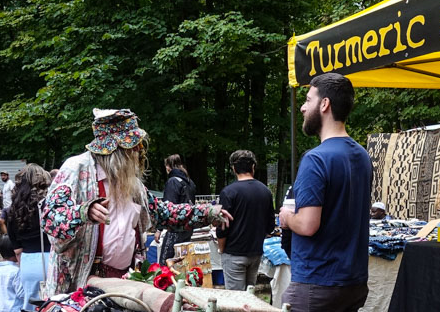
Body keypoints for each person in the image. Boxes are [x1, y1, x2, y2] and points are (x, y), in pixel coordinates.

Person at [249, 72, 371, 312]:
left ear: (325, 105)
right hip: (352, 280)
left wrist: (285, 216)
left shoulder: (316, 159)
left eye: (308, 99)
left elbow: (308, 223)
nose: (302, 106)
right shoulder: (361, 156)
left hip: (316, 280)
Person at [40, 108, 231, 295]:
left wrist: (207, 213)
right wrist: (83, 212)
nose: (139, 151)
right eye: (132, 146)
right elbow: (49, 217)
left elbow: (163, 213)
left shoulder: (132, 184)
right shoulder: (75, 169)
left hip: (125, 281)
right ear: (114, 149)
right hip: (82, 286)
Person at [216, 149, 275, 290]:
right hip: (255, 253)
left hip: (234, 252)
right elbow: (270, 226)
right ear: (253, 167)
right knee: (249, 295)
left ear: (233, 168)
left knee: (236, 298)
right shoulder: (265, 191)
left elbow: (222, 226)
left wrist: (221, 249)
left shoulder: (228, 192)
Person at [6, 164, 53, 311]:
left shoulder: (13, 211)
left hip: (28, 262)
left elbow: (17, 250)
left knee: (31, 311)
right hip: (52, 259)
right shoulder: (51, 206)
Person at [157, 154, 197, 265]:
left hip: (175, 228)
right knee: (183, 262)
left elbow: (167, 208)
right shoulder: (190, 182)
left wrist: (159, 229)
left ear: (168, 166)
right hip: (188, 227)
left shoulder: (172, 181)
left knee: (166, 262)